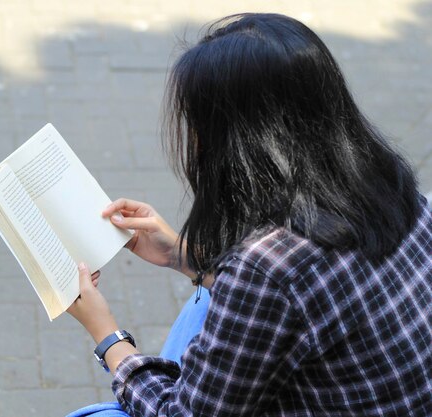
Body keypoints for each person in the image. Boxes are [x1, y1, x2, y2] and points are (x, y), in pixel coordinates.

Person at [67, 12, 432, 417]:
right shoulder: (388, 183)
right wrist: (180, 255)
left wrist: (107, 336)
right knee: (202, 305)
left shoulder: (267, 268)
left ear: (238, 142)